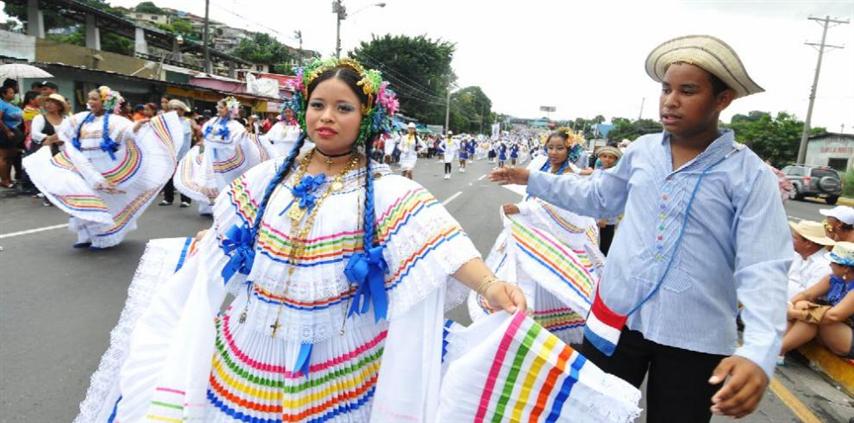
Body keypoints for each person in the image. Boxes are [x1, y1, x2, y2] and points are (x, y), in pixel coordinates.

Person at [78, 57, 527, 423]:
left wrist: (489, 285)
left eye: (343, 108)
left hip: (336, 350)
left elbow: (438, 243)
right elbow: (233, 228)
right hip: (255, 340)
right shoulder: (267, 177)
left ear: (367, 118)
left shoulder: (387, 189)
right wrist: (209, 236)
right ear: (303, 109)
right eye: (317, 105)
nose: (327, 117)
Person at [490, 35, 792, 421]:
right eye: (666, 89)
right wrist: (532, 178)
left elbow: (764, 264)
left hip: (693, 337)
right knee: (592, 413)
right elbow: (599, 196)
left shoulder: (748, 174)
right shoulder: (643, 150)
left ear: (722, 99)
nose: (671, 100)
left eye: (688, 90)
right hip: (616, 317)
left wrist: (760, 350)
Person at [474, 129, 604, 345]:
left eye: (560, 148)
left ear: (569, 149)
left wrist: (524, 210)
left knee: (549, 284)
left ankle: (544, 333)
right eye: (550, 147)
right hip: (528, 232)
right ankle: (520, 326)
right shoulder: (537, 166)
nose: (554, 152)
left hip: (554, 239)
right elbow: (526, 190)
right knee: (523, 277)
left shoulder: (572, 175)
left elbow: (566, 211)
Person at [23, 86, 184, 249]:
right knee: (83, 198)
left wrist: (137, 127)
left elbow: (128, 132)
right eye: (89, 99)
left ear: (105, 102)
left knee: (105, 202)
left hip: (106, 168)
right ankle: (85, 235)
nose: (90, 102)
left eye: (94, 99)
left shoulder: (115, 120)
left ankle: (104, 238)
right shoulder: (82, 118)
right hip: (84, 167)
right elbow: (65, 131)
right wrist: (48, 140)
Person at [173, 96, 267, 216]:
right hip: (211, 157)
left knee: (225, 182)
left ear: (229, 109)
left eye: (222, 107)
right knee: (208, 180)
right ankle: (207, 207)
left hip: (225, 157)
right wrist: (206, 141)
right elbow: (205, 133)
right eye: (219, 107)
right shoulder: (213, 121)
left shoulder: (235, 125)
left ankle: (226, 207)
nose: (219, 109)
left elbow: (239, 138)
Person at [781, 242, 854, 360]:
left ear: (845, 268)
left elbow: (833, 316)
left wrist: (795, 313)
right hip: (835, 328)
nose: (830, 264)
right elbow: (807, 294)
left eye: (833, 262)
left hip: (848, 336)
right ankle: (778, 346)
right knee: (802, 305)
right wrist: (790, 305)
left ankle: (778, 349)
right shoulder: (833, 279)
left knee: (812, 317)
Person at [28, 93, 69, 205]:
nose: (49, 104)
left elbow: (70, 133)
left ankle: (60, 195)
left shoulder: (66, 119)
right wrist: (49, 138)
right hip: (45, 149)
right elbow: (35, 133)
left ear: (59, 106)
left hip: (62, 149)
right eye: (47, 102)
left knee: (60, 173)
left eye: (53, 102)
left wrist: (61, 139)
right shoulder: (40, 118)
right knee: (48, 174)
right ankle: (49, 196)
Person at [159, 99, 194, 208]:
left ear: (182, 110)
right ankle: (168, 198)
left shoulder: (187, 122)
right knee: (168, 176)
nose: (174, 111)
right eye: (172, 109)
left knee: (183, 177)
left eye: (176, 109)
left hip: (183, 153)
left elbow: (183, 134)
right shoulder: (168, 121)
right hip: (170, 153)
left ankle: (186, 199)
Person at [787, 220, 835, 299]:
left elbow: (808, 296)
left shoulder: (824, 265)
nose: (792, 241)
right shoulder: (797, 255)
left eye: (795, 238)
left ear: (808, 244)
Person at [594, 145, 623, 255]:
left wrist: (604, 217)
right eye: (604, 156)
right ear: (600, 158)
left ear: (615, 159)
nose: (607, 159)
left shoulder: (616, 174)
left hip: (607, 218)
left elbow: (613, 197)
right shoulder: (598, 172)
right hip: (595, 214)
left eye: (611, 157)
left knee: (604, 246)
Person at [0, 83, 24, 188]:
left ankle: (9, 178)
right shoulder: (1, 104)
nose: (13, 94)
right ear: (3, 94)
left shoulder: (11, 104)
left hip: (15, 133)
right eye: (11, 92)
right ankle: (4, 180)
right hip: (5, 133)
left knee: (10, 157)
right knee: (4, 157)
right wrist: (7, 131)